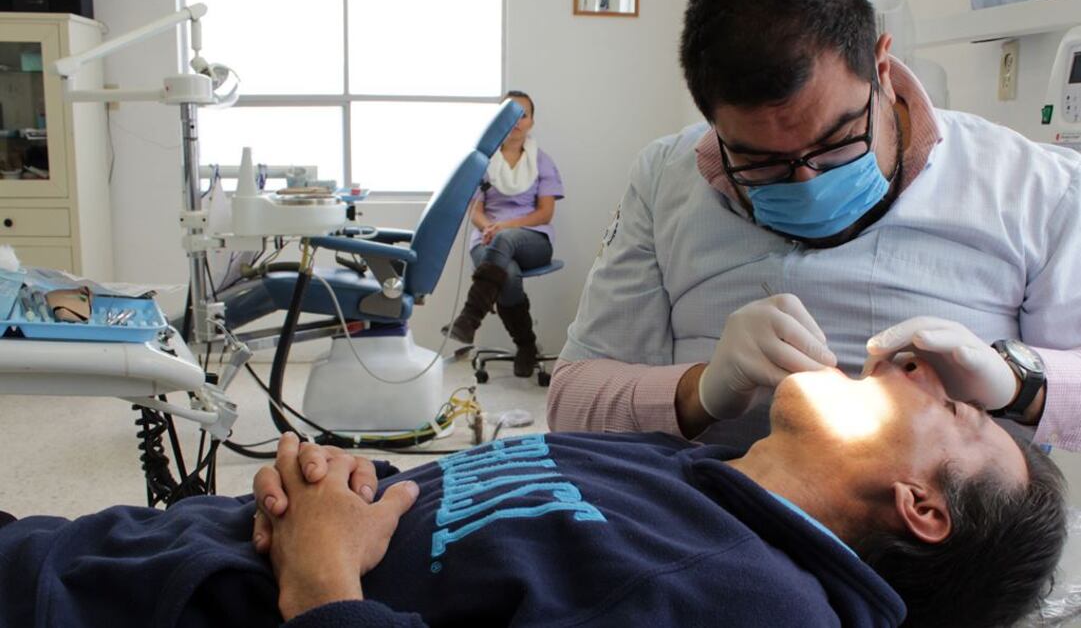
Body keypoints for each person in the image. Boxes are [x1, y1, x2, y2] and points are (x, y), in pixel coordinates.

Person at [0, 359, 1068, 627]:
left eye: (959, 416)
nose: (926, 370)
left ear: (921, 506)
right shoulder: (697, 476)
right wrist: (339, 484)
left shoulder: (758, 605)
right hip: (108, 550)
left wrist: (324, 572)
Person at [549, 0, 1081, 451]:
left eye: (836, 142)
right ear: (711, 117)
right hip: (717, 523)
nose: (805, 181)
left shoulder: (1035, 187)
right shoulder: (666, 179)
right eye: (760, 162)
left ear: (881, 66)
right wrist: (702, 389)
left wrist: (1019, 381)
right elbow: (572, 402)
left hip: (955, 544)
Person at [444, 90, 565, 377]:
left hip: (532, 240)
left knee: (505, 239)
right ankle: (526, 346)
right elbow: (474, 208)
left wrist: (504, 227)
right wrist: (487, 225)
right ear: (497, 121)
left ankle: (470, 317)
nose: (517, 121)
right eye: (509, 115)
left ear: (532, 122)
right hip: (487, 239)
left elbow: (545, 214)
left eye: (523, 115)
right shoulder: (482, 162)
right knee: (507, 273)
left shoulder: (542, 161)